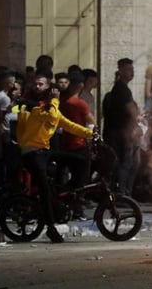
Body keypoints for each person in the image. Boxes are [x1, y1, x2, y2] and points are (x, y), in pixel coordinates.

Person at [16, 71, 95, 243]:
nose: (38, 87)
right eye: (35, 84)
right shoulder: (31, 106)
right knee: (44, 188)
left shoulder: (51, 106)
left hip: (44, 151)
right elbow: (50, 114)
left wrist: (91, 133)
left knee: (79, 159)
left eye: (41, 84)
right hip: (31, 152)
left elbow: (69, 125)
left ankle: (63, 196)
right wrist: (55, 101)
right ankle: (51, 228)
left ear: (48, 86)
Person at [102, 58, 140, 196]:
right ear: (121, 71)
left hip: (122, 134)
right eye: (128, 70)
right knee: (125, 164)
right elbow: (131, 111)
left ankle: (123, 192)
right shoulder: (121, 89)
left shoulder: (122, 89)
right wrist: (138, 118)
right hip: (122, 135)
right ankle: (121, 194)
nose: (132, 73)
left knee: (127, 163)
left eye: (132, 70)